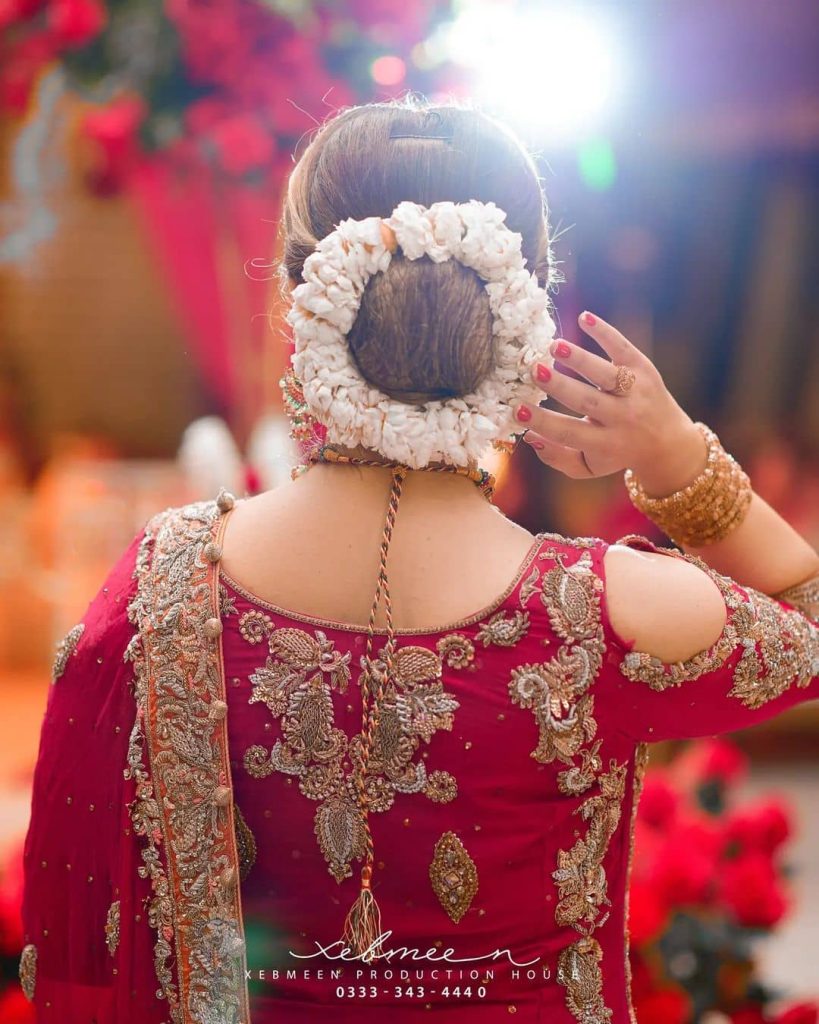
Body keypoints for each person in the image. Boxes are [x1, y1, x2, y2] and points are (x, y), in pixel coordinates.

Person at [19, 99, 819, 1024]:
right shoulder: (604, 612)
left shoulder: (162, 585)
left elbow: (85, 946)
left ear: (301, 303)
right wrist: (677, 456)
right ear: (524, 322)